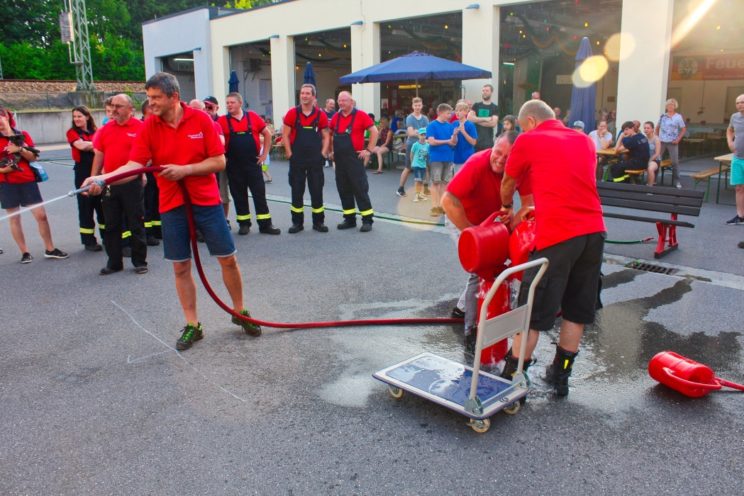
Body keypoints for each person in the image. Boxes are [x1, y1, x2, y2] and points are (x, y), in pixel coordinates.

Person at [82, 72, 262, 350]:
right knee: (180, 266)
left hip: (206, 201)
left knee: (227, 259)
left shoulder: (201, 120)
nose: (150, 103)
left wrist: (186, 170)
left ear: (174, 97)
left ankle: (240, 312)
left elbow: (218, 161)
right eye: (148, 97)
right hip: (172, 204)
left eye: (156, 97)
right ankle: (193, 324)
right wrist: (102, 179)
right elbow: (134, 166)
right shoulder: (148, 127)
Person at [498, 100, 605, 397]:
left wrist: (507, 207)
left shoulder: (529, 139)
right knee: (577, 309)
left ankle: (512, 376)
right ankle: (560, 376)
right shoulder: (584, 140)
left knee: (532, 309)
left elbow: (509, 180)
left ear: (530, 121)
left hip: (557, 234)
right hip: (594, 232)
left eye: (521, 126)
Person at [441, 131, 531, 349]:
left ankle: (463, 308)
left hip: (489, 221)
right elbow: (447, 201)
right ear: (493, 146)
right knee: (480, 269)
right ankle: (471, 332)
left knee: (496, 266)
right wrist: (473, 234)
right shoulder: (477, 163)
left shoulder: (522, 170)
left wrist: (510, 227)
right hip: (461, 216)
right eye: (497, 152)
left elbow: (528, 204)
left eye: (507, 157)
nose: (499, 159)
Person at [0, 107, 69, 263]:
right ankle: (25, 252)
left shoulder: (22, 135)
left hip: (26, 180)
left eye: (2, 118)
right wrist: (3, 169)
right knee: (14, 218)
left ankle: (50, 248)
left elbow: (33, 157)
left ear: (7, 117)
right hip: (6, 182)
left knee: (41, 216)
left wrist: (18, 147)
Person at [91, 94, 148, 276]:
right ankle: (114, 263)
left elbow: (147, 157)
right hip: (109, 184)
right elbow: (99, 155)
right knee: (111, 225)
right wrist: (94, 179)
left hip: (132, 183)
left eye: (119, 106)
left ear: (131, 109)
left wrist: (142, 173)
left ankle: (139, 261)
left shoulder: (141, 128)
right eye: (113, 106)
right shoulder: (105, 130)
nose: (114, 110)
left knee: (135, 222)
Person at [217, 92, 280, 236]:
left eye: (232, 102)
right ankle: (244, 224)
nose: (229, 105)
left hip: (253, 164)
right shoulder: (222, 121)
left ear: (240, 103)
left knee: (259, 194)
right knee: (239, 195)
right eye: (227, 103)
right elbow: (216, 139)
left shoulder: (252, 117)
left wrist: (265, 154)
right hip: (233, 165)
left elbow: (268, 134)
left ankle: (265, 225)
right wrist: (222, 156)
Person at [281, 83, 330, 234]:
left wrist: (323, 153)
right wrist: (289, 152)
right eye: (302, 93)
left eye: (308, 93)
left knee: (317, 191)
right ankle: (297, 223)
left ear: (314, 96)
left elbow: (327, 136)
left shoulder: (320, 115)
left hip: (315, 159)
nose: (304, 96)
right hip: (297, 159)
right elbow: (285, 135)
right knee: (297, 191)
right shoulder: (292, 114)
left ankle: (319, 222)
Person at [328, 91, 377, 232]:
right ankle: (349, 219)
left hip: (355, 159)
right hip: (340, 159)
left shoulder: (361, 115)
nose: (341, 103)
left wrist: (369, 150)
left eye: (344, 100)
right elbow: (330, 134)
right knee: (343, 189)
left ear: (351, 101)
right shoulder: (336, 117)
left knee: (360, 188)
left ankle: (367, 220)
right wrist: (331, 151)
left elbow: (374, 131)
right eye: (339, 101)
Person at [66, 105, 104, 251]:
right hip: (82, 172)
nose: (76, 119)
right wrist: (98, 145)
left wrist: (94, 145)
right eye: (74, 117)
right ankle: (89, 241)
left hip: (99, 171)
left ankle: (107, 237)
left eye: (79, 116)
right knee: (86, 206)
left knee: (101, 206)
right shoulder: (72, 133)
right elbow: (81, 146)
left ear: (87, 117)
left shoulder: (96, 131)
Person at [426, 103, 458, 217]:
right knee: (435, 182)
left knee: (445, 183)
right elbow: (431, 141)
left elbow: (454, 143)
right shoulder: (432, 125)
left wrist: (454, 135)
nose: (450, 115)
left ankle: (441, 205)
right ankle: (434, 206)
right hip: (436, 158)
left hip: (448, 157)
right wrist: (447, 141)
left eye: (450, 113)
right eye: (448, 113)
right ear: (440, 113)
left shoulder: (450, 126)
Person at [204, 96, 230, 219]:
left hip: (221, 161)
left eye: (210, 107)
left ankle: (224, 220)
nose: (207, 109)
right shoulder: (201, 120)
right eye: (205, 107)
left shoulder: (222, 121)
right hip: (205, 162)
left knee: (223, 193)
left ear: (217, 108)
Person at [396, 97, 429, 197]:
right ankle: (400, 189)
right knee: (408, 167)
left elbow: (427, 132)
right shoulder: (410, 118)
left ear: (422, 106)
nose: (417, 107)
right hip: (413, 146)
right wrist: (420, 132)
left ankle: (425, 189)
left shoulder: (425, 118)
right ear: (412, 106)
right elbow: (410, 133)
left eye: (419, 105)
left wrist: (417, 131)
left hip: (423, 146)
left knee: (426, 167)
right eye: (415, 105)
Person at [141, 100, 161, 246]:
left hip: (158, 171)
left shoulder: (158, 126)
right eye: (150, 114)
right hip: (146, 172)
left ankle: (157, 229)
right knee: (147, 203)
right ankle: (148, 233)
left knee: (157, 202)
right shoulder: (141, 128)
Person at [655, 98, 686, 189]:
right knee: (657, 160)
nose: (670, 107)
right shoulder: (662, 116)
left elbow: (683, 129)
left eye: (672, 105)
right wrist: (657, 138)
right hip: (662, 142)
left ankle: (677, 181)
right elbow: (657, 128)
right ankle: (654, 179)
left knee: (675, 162)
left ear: (675, 106)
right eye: (668, 105)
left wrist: (678, 139)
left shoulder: (678, 117)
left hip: (673, 142)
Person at [727, 94, 744, 229]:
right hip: (737, 158)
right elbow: (730, 130)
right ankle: (740, 216)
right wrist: (730, 142)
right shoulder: (734, 117)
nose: (740, 105)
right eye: (738, 103)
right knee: (739, 188)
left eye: (742, 102)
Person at [468, 84, 499, 151]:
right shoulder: (476, 105)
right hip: (475, 140)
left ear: (491, 92)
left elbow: (493, 123)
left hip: (488, 142)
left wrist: (476, 120)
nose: (484, 92)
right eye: (483, 90)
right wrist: (485, 119)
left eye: (487, 90)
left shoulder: (495, 107)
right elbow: (469, 118)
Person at [453, 101, 477, 175]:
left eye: (460, 110)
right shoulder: (454, 124)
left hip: (468, 158)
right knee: (457, 181)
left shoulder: (470, 125)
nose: (457, 112)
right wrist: (454, 135)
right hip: (456, 158)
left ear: (466, 112)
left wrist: (463, 132)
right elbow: (453, 143)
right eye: (456, 110)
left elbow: (474, 142)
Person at [409, 128, 429, 202]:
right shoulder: (415, 145)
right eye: (421, 135)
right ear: (418, 136)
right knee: (417, 180)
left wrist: (427, 164)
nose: (423, 136)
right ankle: (416, 195)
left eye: (424, 135)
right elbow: (411, 154)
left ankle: (419, 194)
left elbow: (427, 155)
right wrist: (412, 162)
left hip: (423, 165)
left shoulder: (427, 145)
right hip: (416, 164)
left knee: (421, 180)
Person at [644, 121, 662, 186]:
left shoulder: (656, 139)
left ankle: (650, 188)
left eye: (648, 128)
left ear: (652, 129)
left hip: (655, 160)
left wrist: (649, 161)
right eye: (645, 128)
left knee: (650, 168)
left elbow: (657, 153)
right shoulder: (644, 138)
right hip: (646, 159)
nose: (646, 129)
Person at [322, 98, 336, 168]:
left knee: (332, 139)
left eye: (333, 104)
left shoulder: (335, 113)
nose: (332, 105)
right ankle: (326, 159)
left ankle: (332, 157)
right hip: (323, 133)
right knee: (325, 140)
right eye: (331, 104)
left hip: (332, 132)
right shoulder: (321, 112)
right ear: (326, 104)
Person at [261, 117, 274, 183]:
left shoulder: (266, 130)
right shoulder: (262, 131)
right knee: (263, 168)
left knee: (263, 168)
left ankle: (269, 178)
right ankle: (269, 178)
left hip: (263, 152)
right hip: (262, 151)